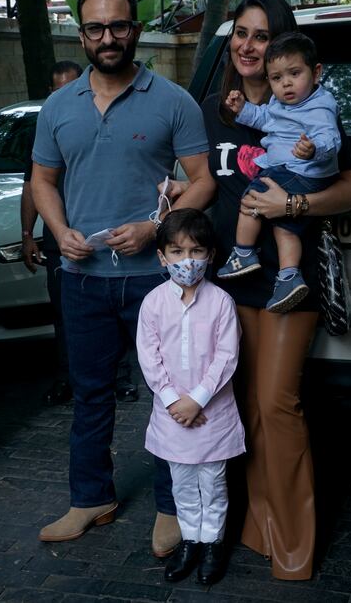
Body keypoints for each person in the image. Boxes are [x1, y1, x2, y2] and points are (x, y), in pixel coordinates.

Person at [164, 0, 351, 580]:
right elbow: (200, 182)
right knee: (243, 404)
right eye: (241, 34)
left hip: (287, 280)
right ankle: (258, 529)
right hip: (227, 280)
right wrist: (169, 205)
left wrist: (292, 204)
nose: (249, 46)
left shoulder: (308, 104)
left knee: (277, 403)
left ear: (282, 47)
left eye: (262, 36)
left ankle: (294, 548)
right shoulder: (211, 110)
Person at [31, 0, 215, 546]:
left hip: (155, 280)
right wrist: (59, 231)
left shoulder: (173, 101)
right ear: (82, 34)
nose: (107, 37)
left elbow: (203, 182)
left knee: (169, 392)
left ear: (135, 29)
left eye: (118, 26)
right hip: (83, 280)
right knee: (89, 395)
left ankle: (172, 506)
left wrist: (156, 228)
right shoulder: (58, 106)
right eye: (95, 28)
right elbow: (43, 181)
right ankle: (92, 498)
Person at [136, 209, 245, 585]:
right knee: (181, 482)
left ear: (210, 255)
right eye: (177, 252)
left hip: (212, 412)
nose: (187, 261)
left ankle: (213, 542)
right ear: (162, 256)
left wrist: (197, 399)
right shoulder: (153, 303)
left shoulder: (221, 302)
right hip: (172, 414)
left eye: (196, 251)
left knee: (213, 482)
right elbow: (149, 356)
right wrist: (173, 400)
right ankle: (190, 541)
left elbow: (226, 356)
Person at [218, 32, 342, 314]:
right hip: (297, 171)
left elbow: (330, 138)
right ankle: (289, 277)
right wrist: (242, 109)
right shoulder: (280, 103)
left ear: (316, 72)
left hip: (304, 170)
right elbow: (264, 118)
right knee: (284, 226)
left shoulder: (319, 106)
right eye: (276, 78)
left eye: (294, 74)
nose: (286, 83)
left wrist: (314, 149)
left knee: (252, 197)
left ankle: (243, 253)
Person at [21, 61, 83, 406]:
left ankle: (119, 377)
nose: (65, 96)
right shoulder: (44, 126)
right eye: (58, 91)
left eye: (72, 88)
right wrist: (27, 234)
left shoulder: (95, 120)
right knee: (63, 311)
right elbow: (32, 185)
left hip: (98, 233)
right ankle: (66, 377)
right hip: (58, 238)